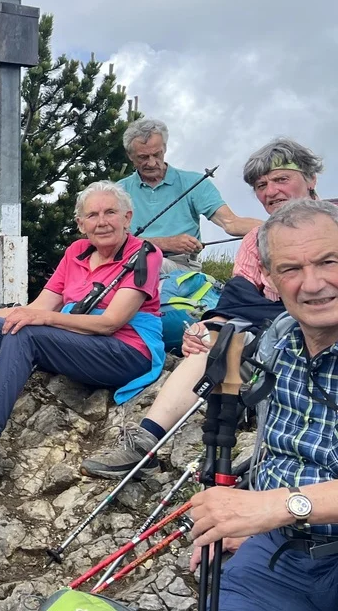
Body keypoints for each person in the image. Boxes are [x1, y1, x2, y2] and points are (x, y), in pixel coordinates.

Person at [83, 138, 323, 478]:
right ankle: (145, 444)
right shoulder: (258, 240)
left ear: (310, 179)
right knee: (212, 345)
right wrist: (206, 328)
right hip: (268, 333)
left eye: (280, 179)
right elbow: (238, 299)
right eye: (261, 185)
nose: (271, 191)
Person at [0, 182, 167, 486]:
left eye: (110, 212)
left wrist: (45, 319)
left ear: (127, 217)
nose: (102, 221)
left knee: (28, 333)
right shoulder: (76, 252)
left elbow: (111, 323)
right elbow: (37, 307)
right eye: (93, 215)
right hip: (77, 341)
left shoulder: (144, 254)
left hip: (126, 351)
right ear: (81, 224)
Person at [188, 198, 338, 609]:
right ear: (270, 280)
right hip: (278, 552)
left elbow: (276, 504)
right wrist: (249, 520)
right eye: (291, 269)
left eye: (328, 261)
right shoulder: (278, 342)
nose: (312, 283)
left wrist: (273, 507)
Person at [116, 119, 259, 271]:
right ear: (130, 155)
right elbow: (112, 240)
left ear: (164, 148)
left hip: (181, 265)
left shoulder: (194, 183)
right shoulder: (118, 191)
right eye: (143, 157)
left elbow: (231, 223)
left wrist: (278, 228)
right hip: (128, 261)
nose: (152, 163)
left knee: (149, 264)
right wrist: (165, 243)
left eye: (157, 155)